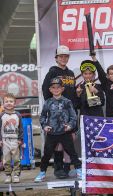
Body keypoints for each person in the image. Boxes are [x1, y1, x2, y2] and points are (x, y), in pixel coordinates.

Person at [35, 78, 82, 182]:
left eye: (58, 87)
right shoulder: (47, 102)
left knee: (72, 153)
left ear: (62, 89)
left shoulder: (67, 102)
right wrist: (44, 126)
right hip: (52, 133)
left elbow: (74, 117)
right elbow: (42, 116)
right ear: (50, 89)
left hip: (65, 132)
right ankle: (42, 172)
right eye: (53, 87)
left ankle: (79, 170)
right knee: (47, 154)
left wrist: (70, 126)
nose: (56, 89)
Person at [41, 45, 77, 179]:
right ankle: (58, 168)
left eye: (66, 56)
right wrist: (53, 108)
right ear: (56, 58)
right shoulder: (52, 72)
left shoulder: (71, 73)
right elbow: (46, 90)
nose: (63, 58)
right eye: (61, 56)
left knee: (70, 139)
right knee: (58, 142)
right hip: (57, 114)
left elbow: (72, 93)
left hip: (69, 112)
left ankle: (67, 167)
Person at [0, 93, 23, 183]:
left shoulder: (18, 115)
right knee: (6, 159)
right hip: (5, 140)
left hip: (15, 140)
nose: (9, 103)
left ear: (14, 104)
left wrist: (20, 139)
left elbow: (21, 128)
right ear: (3, 104)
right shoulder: (1, 115)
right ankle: (8, 175)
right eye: (6, 101)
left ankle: (16, 175)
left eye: (11, 101)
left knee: (17, 159)